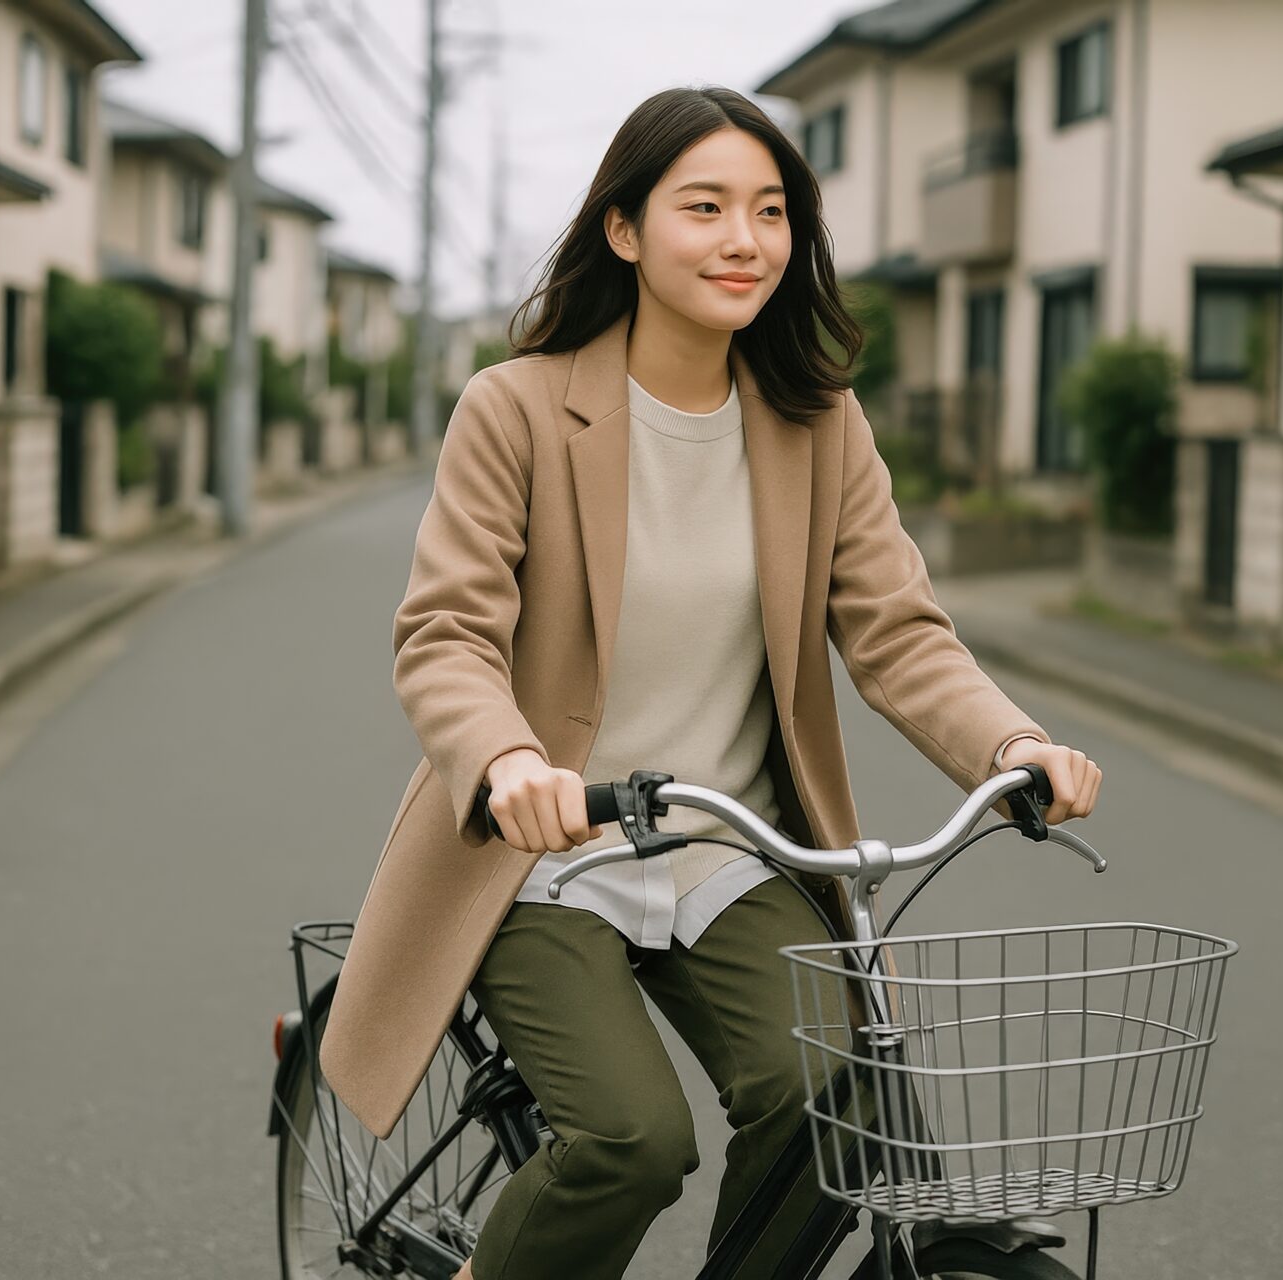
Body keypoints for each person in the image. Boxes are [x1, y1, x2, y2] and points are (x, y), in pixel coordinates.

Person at [376, 86, 1101, 1279]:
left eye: (770, 211)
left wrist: (1010, 744)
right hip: (548, 851)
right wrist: (507, 760)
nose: (743, 240)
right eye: (703, 206)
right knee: (630, 1137)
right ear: (625, 229)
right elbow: (447, 630)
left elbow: (897, 631)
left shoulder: (818, 424)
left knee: (838, 1096)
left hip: (727, 848)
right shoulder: (516, 409)